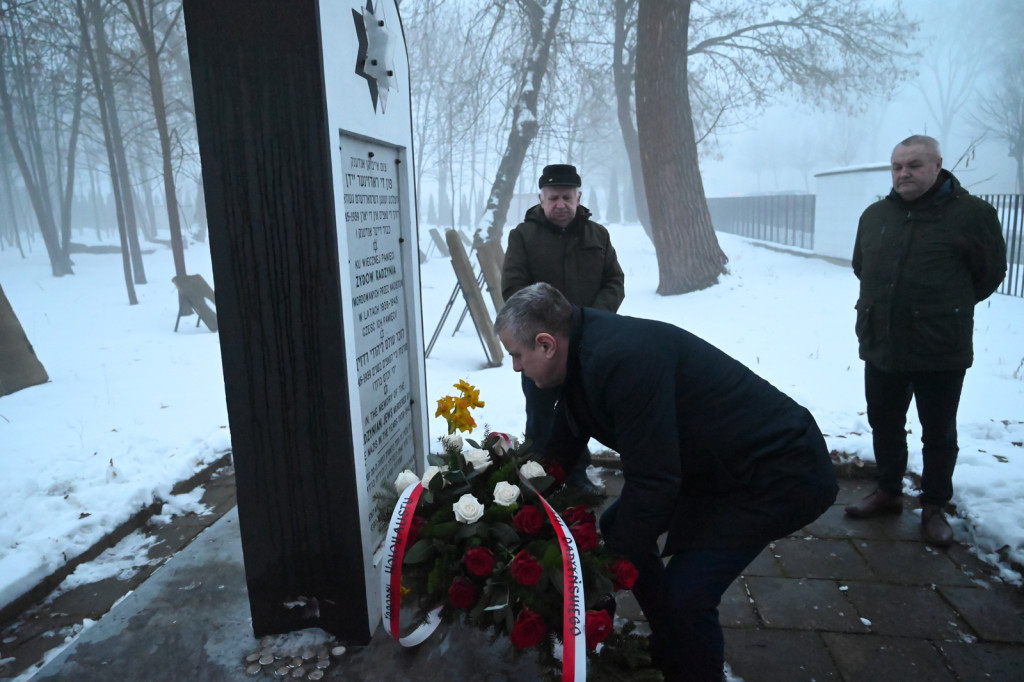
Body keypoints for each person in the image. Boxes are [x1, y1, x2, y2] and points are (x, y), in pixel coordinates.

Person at [493, 283, 838, 681]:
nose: (516, 366)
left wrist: (604, 579)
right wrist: (510, 497)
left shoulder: (622, 359)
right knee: (619, 527)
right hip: (717, 466)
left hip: (777, 473)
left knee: (687, 596)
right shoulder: (580, 349)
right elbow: (564, 444)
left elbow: (654, 481)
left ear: (546, 344)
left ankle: (694, 662)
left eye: (517, 355)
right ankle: (675, 642)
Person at [845, 135, 1007, 548]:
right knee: (885, 423)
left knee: (938, 431)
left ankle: (934, 506)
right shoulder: (875, 215)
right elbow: (862, 266)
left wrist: (941, 307)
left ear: (937, 166)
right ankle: (888, 492)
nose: (903, 173)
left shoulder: (972, 215)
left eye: (914, 165)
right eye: (897, 166)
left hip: (940, 346)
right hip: (882, 342)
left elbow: (988, 273)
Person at [501, 164, 624, 489]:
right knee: (542, 415)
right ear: (541, 198)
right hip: (540, 347)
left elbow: (614, 281)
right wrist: (546, 324)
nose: (561, 204)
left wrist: (593, 319)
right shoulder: (523, 236)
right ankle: (537, 480)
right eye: (553, 197)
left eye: (567, 197)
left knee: (581, 412)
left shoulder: (597, 235)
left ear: (578, 197)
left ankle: (578, 477)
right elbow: (513, 287)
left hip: (587, 344)